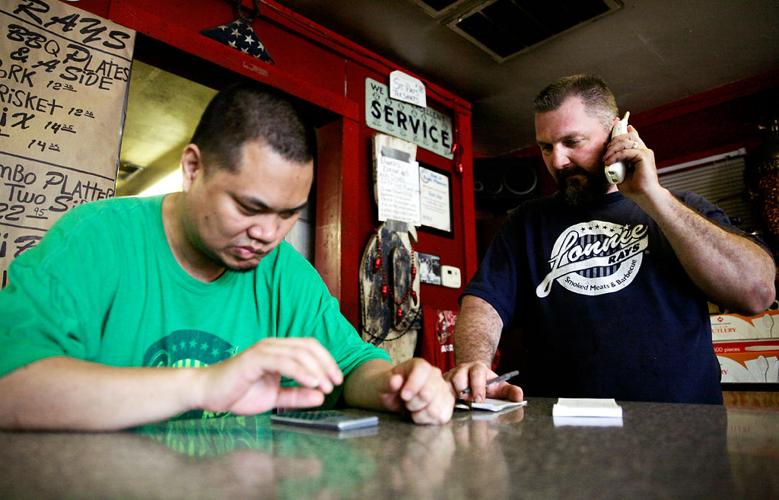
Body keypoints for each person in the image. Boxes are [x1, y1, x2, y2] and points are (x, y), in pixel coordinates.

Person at [0, 82, 454, 430]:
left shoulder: (284, 273)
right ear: (192, 169)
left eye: (287, 215)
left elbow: (353, 364)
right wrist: (206, 384)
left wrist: (396, 384)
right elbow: (12, 388)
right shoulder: (93, 240)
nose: (268, 234)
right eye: (249, 208)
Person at [447, 74, 776, 404]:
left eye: (572, 142)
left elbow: (757, 293)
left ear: (617, 134)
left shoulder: (682, 210)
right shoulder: (525, 222)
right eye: (546, 147)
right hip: (558, 436)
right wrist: (474, 362)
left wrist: (652, 197)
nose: (557, 161)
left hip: (679, 437)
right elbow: (484, 302)